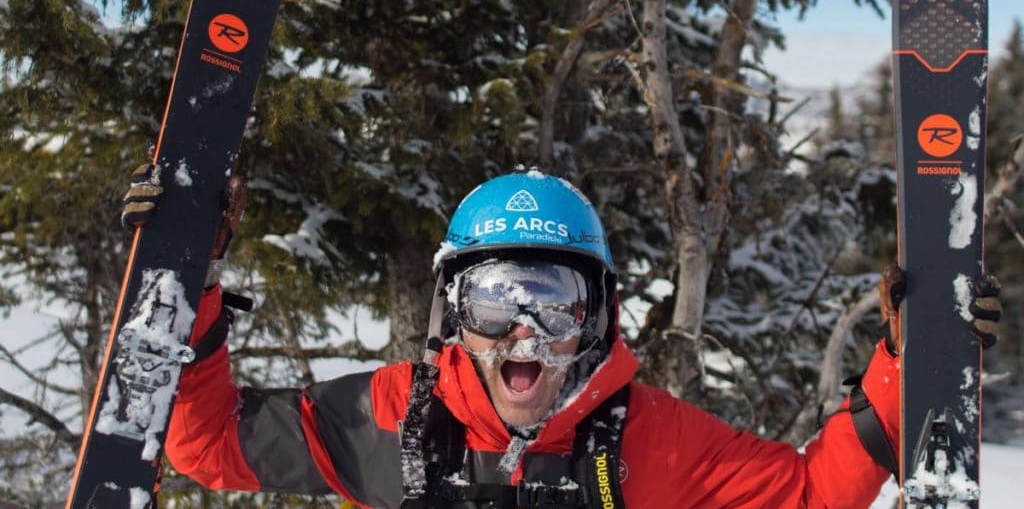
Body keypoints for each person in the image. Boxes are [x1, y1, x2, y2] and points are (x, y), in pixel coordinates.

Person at [124, 166, 1001, 508]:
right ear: (451, 315)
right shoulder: (391, 417)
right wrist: (185, 286)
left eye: (555, 301)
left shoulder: (649, 438)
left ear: (599, 316)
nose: (527, 335)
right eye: (496, 301)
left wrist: (909, 366)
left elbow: (807, 497)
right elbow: (211, 447)